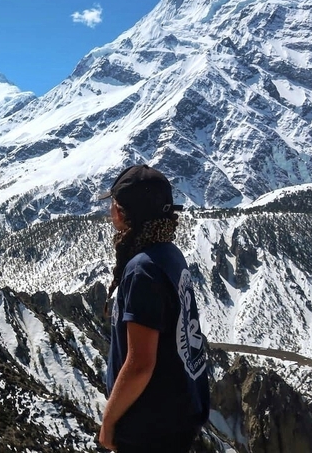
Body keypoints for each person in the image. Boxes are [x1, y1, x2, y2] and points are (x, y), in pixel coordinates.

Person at [98, 164, 210, 452]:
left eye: (113, 206)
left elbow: (140, 365)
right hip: (174, 417)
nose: (111, 213)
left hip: (150, 429)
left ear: (121, 214)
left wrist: (109, 421)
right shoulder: (169, 255)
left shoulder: (141, 271)